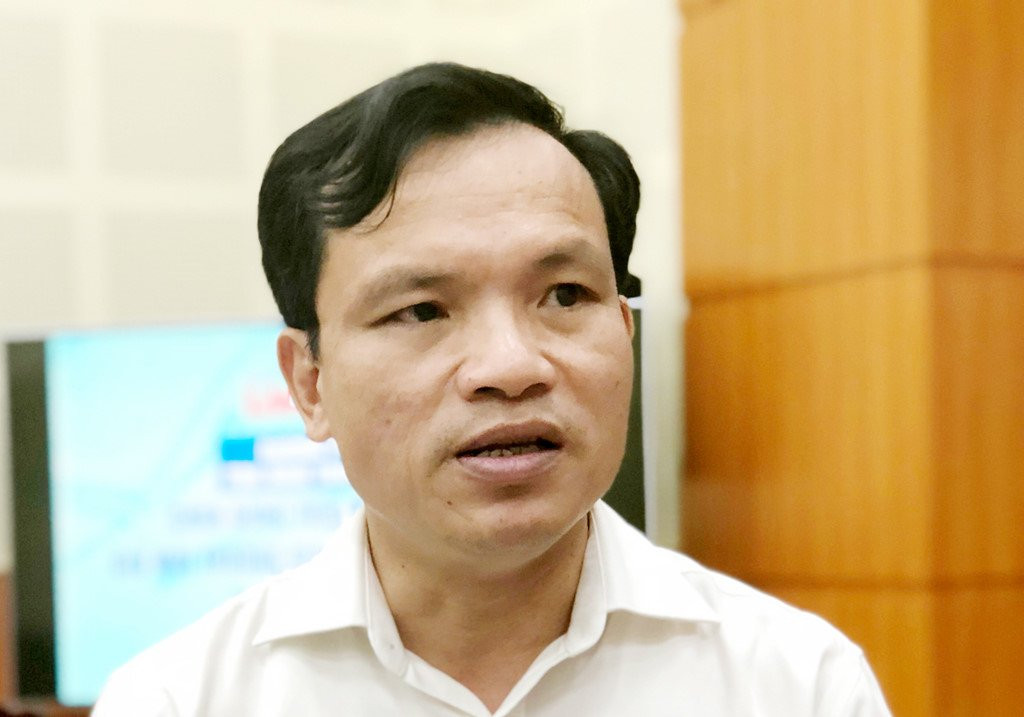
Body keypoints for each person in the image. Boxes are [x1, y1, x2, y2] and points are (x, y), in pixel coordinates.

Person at [93, 62, 891, 716]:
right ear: (310, 383)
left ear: (626, 329)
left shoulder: (798, 686)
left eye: (565, 295)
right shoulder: (178, 700)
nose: (511, 366)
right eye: (422, 310)